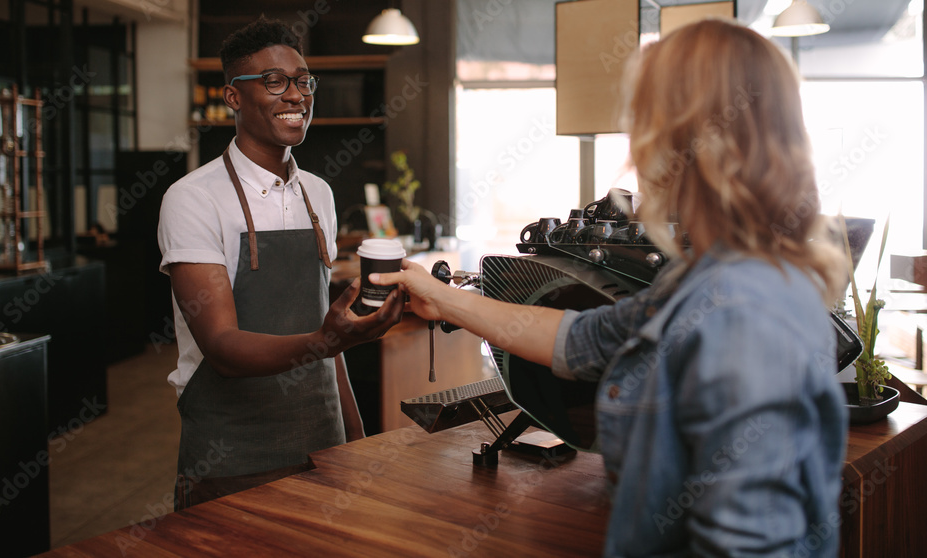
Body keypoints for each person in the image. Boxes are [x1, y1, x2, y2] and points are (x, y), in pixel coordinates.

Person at [373, 19, 848, 557]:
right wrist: (441, 298)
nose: (636, 150)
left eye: (645, 122)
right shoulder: (714, 279)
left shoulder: (740, 311)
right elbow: (584, 339)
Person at [158, 16, 403, 510]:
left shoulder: (320, 194)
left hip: (324, 444)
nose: (296, 95)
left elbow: (325, 337)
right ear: (233, 97)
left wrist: (355, 440)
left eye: (303, 80)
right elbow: (223, 349)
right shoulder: (193, 199)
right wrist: (326, 339)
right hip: (231, 456)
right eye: (274, 81)